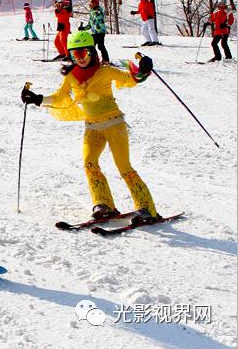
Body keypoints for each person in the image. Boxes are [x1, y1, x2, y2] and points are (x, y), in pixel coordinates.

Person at [21, 30, 160, 225]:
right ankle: (103, 204)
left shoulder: (105, 71)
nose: (81, 58)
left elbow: (130, 79)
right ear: (70, 55)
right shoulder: (71, 77)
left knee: (124, 167)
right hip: (92, 127)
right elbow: (61, 98)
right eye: (75, 54)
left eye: (84, 53)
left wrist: (143, 71)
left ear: (92, 52)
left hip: (114, 125)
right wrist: (38, 99)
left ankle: (147, 208)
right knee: (89, 163)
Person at [87, 0, 109, 64]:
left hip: (100, 32)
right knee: (91, 46)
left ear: (95, 4)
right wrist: (83, 28)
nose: (90, 5)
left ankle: (106, 60)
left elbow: (99, 17)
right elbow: (90, 24)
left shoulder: (99, 10)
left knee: (100, 46)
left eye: (91, 4)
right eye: (90, 3)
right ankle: (95, 59)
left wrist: (95, 12)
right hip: (94, 32)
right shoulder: (92, 12)